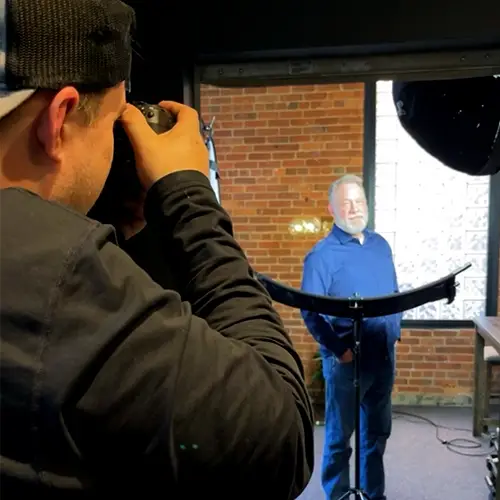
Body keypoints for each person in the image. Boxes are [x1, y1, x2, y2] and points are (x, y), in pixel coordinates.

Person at [0, 1, 314, 498]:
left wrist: (119, 223)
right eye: (109, 126)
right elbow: (280, 439)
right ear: (58, 119)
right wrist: (187, 194)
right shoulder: (53, 269)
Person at [300, 175, 402, 500]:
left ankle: (375, 494)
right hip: (347, 362)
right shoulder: (320, 256)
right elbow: (309, 311)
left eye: (359, 202)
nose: (354, 208)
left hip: (382, 357)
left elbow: (393, 293)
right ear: (332, 209)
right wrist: (339, 350)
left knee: (377, 434)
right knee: (339, 438)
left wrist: (393, 331)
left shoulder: (380, 245)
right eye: (346, 203)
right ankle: (340, 495)